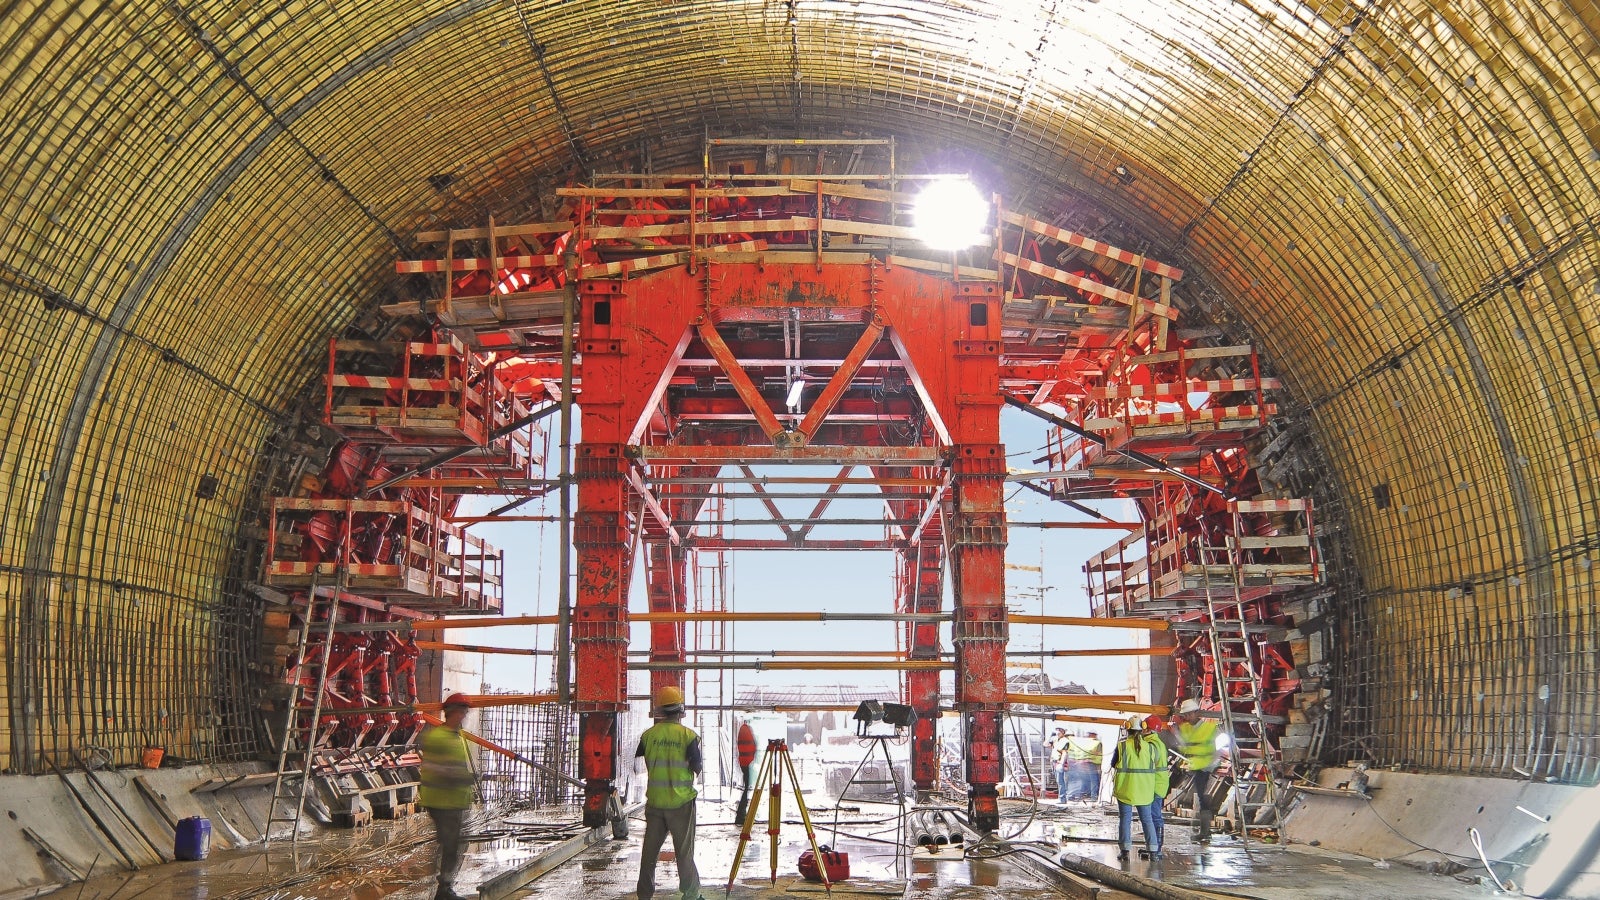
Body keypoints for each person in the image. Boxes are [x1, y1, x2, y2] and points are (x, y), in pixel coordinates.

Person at [636, 685, 704, 900]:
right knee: (684, 853)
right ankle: (691, 895)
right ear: (680, 709)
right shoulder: (688, 736)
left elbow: (640, 762)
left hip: (655, 804)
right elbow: (697, 768)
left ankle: (644, 895)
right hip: (681, 803)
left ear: (661, 710)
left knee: (649, 855)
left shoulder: (648, 736)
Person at [419, 693, 476, 900]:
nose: (465, 716)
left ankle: (445, 888)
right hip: (442, 801)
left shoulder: (454, 736)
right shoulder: (439, 737)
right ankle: (444, 890)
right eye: (463, 711)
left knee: (453, 844)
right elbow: (434, 769)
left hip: (452, 800)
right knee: (451, 845)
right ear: (454, 712)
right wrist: (461, 778)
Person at [1111, 716, 1163, 860]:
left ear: (1127, 728)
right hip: (1145, 789)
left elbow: (1113, 764)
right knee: (1147, 820)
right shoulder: (1151, 747)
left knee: (1125, 819)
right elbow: (1156, 763)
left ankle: (1125, 851)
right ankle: (1153, 851)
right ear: (1142, 728)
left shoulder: (1122, 746)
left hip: (1126, 788)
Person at [1171, 698, 1222, 842]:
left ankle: (1205, 832)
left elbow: (1218, 748)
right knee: (1200, 797)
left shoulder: (1210, 727)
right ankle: (1203, 830)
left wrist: (1213, 763)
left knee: (1202, 798)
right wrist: (1176, 734)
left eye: (1188, 714)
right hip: (1194, 766)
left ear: (1196, 713)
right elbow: (1185, 746)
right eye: (1184, 715)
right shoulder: (1186, 728)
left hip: (1205, 767)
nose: (1186, 717)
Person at [1066, 729, 1104, 802]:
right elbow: (1098, 754)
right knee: (1093, 781)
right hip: (1092, 763)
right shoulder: (1096, 743)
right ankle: (1093, 796)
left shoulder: (1084, 743)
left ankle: (1078, 795)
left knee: (1081, 780)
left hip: (1082, 763)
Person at [1049, 727, 1071, 803]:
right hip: (1054, 762)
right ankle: (1061, 798)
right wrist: (1050, 736)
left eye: (1059, 731)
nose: (1057, 732)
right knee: (1058, 781)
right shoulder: (1055, 740)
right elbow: (1045, 744)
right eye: (1057, 731)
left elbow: (1064, 753)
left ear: (1063, 732)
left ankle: (1062, 799)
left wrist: (1061, 763)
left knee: (1060, 781)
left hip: (1059, 762)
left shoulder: (1065, 741)